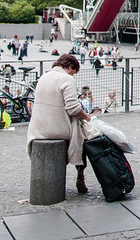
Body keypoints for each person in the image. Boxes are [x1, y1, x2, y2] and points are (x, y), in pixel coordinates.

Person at [26, 54, 93, 193]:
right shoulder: (66, 79)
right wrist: (86, 116)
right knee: (84, 136)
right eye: (73, 72)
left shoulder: (44, 77)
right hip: (55, 129)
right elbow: (73, 108)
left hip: (37, 128)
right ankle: (80, 173)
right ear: (70, 67)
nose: (73, 75)